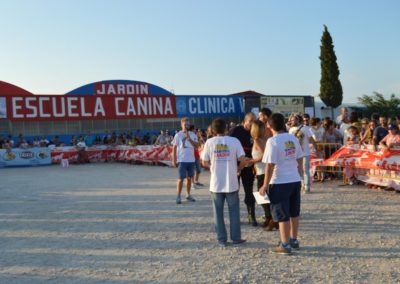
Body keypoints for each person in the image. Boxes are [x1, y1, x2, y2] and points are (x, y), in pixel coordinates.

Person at [259, 113, 304, 255]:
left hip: (279, 181)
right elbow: (300, 157)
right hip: (294, 179)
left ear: (270, 125)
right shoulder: (292, 138)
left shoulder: (273, 141)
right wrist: (300, 173)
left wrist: (264, 185)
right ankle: (293, 240)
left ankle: (284, 245)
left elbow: (269, 165)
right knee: (294, 212)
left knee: (282, 213)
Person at [202, 118, 247, 247]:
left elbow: (204, 162)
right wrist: (238, 169)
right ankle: (236, 238)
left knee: (218, 212)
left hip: (216, 182)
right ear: (226, 128)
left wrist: (212, 167)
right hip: (231, 181)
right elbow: (242, 159)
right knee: (234, 211)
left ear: (213, 130)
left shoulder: (209, 142)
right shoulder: (234, 141)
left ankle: (222, 239)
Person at [229, 112, 258, 226]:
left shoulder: (256, 131)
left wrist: (253, 162)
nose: (252, 123)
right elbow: (229, 147)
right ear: (244, 121)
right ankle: (235, 217)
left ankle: (251, 216)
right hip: (235, 165)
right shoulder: (235, 131)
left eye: (254, 121)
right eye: (250, 121)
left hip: (249, 165)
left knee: (249, 191)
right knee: (233, 192)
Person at [250, 120, 277, 231]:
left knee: (262, 197)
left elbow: (264, 156)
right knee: (266, 196)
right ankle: (271, 218)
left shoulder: (257, 140)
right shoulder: (267, 139)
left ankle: (270, 218)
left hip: (263, 171)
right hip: (264, 170)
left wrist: (252, 161)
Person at [171, 117, 199, 204]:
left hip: (191, 160)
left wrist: (189, 138)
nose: (187, 125)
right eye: (185, 124)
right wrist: (174, 160)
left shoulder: (193, 135)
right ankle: (178, 196)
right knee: (180, 178)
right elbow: (174, 148)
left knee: (189, 178)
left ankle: (188, 195)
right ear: (181, 125)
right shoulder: (178, 135)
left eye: (188, 124)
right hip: (182, 160)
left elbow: (197, 146)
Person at [289, 114, 317, 193]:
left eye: (293, 120)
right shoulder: (291, 130)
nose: (291, 121)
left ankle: (307, 186)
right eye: (291, 120)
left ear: (298, 120)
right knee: (297, 170)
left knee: (305, 170)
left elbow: (311, 139)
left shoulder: (305, 128)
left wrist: (317, 148)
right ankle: (301, 185)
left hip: (305, 153)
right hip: (295, 154)